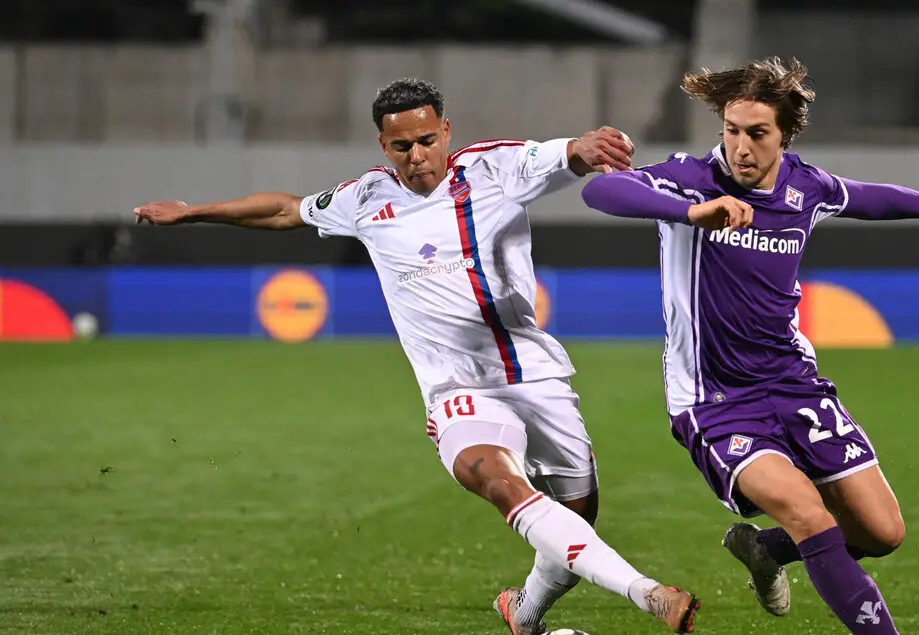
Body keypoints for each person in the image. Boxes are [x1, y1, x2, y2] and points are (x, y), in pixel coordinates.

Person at [134, 78, 701, 635]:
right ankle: (648, 593)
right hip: (455, 389)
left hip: (534, 377)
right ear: (384, 145)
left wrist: (586, 146)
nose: (416, 156)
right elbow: (286, 210)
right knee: (501, 483)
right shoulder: (365, 199)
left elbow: (564, 155)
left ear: (445, 131)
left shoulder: (493, 167)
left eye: (427, 140)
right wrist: (192, 211)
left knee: (577, 519)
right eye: (401, 146)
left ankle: (525, 612)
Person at [579, 57, 919, 634]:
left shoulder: (805, 188)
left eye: (757, 133)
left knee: (881, 532)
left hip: (794, 385)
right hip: (716, 400)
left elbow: (869, 198)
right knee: (810, 514)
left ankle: (767, 549)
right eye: (732, 131)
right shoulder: (692, 179)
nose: (741, 147)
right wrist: (691, 212)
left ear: (784, 135)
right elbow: (603, 190)